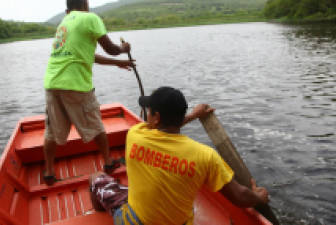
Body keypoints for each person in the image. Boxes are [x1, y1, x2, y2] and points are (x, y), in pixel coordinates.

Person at [89, 86, 269, 225]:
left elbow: (163, 126)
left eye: (148, 111)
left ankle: (100, 212)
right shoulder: (205, 156)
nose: (146, 116)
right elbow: (240, 196)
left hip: (134, 221)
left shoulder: (136, 135)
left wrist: (193, 116)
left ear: (156, 117)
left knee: (95, 177)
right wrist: (259, 198)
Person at [43, 0, 134, 185]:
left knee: (52, 130)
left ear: (68, 8)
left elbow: (87, 55)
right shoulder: (90, 18)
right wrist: (124, 49)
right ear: (86, 4)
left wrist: (118, 63)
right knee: (96, 124)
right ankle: (108, 163)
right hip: (75, 84)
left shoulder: (65, 22)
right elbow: (112, 49)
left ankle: (49, 172)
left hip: (52, 83)